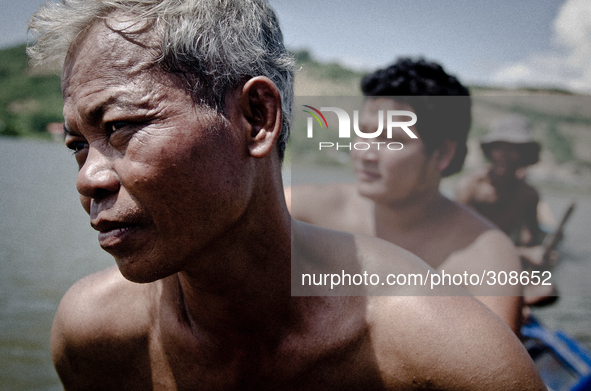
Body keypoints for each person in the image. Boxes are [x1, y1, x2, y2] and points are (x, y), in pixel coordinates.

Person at [28, 1, 545, 389]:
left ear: (258, 119)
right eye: (77, 145)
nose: (87, 179)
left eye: (122, 127)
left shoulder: (456, 335)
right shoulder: (94, 339)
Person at [287, 58, 524, 333]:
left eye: (389, 139)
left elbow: (492, 370)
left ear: (443, 154)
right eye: (363, 132)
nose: (364, 153)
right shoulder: (304, 211)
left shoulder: (485, 258)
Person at [455, 115, 558, 306]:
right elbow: (460, 242)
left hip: (503, 264)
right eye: (500, 148)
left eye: (513, 149)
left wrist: (542, 256)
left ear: (524, 154)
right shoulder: (471, 187)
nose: (505, 155)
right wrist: (523, 253)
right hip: (470, 262)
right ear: (491, 151)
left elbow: (531, 238)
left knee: (548, 290)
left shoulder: (528, 194)